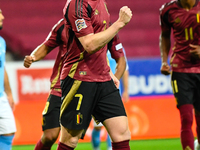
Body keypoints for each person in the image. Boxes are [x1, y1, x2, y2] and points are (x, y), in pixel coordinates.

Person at [57, 0, 132, 150]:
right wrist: (119, 23)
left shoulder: (101, 3)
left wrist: (109, 71)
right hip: (79, 78)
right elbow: (89, 44)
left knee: (122, 133)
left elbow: (101, 44)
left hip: (103, 78)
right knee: (70, 138)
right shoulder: (77, 5)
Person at [159, 0, 200, 150]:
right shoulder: (167, 10)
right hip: (180, 70)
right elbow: (164, 36)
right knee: (186, 118)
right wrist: (164, 61)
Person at [24, 18, 68, 150]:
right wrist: (33, 57)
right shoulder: (62, 25)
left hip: (85, 87)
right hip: (60, 87)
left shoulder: (97, 24)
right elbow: (46, 45)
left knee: (71, 137)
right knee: (50, 135)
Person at [92, 43, 130, 150]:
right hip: (98, 92)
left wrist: (126, 90)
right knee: (97, 127)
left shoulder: (118, 49)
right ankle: (96, 148)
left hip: (113, 91)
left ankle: (110, 148)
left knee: (115, 126)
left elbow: (125, 70)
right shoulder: (96, 47)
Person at [0, 8, 16, 150]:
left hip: (1, 97)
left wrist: (9, 92)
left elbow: (2, 67)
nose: (3, 16)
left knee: (8, 132)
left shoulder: (1, 42)